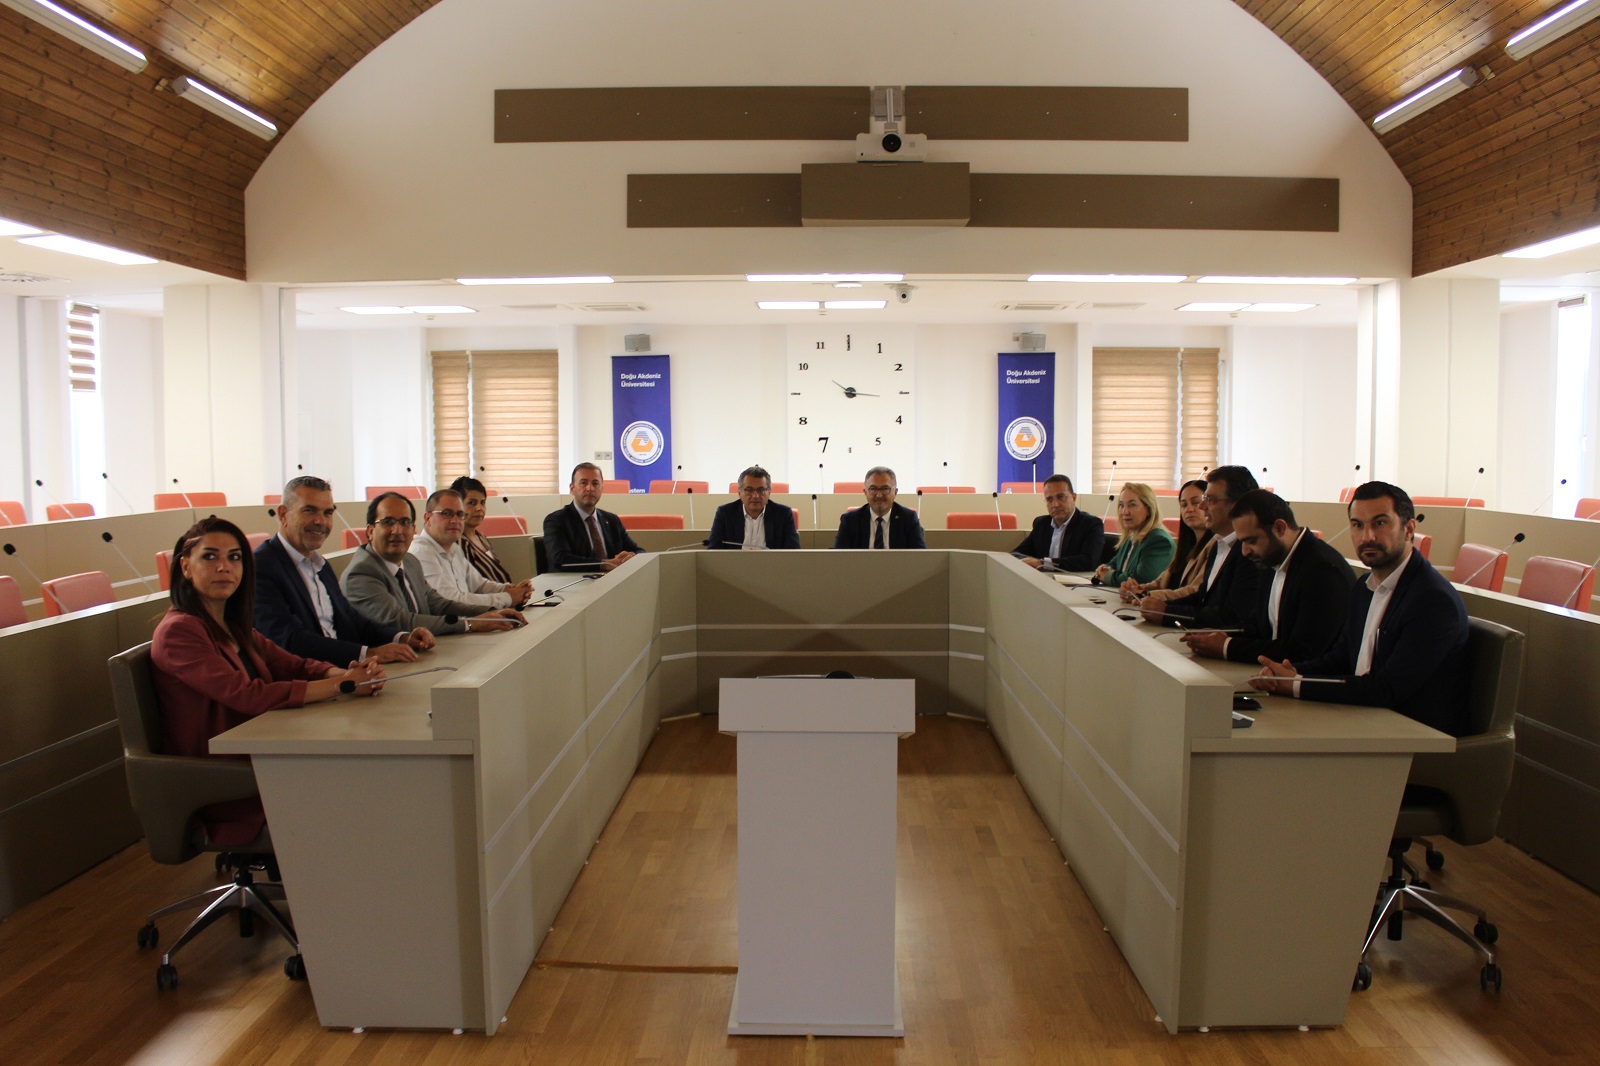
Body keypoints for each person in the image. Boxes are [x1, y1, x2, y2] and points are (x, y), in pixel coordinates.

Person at [152, 517, 385, 845]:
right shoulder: (179, 630)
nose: (224, 567)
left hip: (262, 752)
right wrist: (342, 685)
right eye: (210, 556)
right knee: (353, 785)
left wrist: (346, 674)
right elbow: (246, 695)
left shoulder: (232, 624)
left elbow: (294, 665)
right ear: (185, 567)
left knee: (361, 777)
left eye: (234, 557)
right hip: (224, 778)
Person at [1250, 481, 1471, 736]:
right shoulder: (1364, 587)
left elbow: (1388, 689)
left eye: (1380, 523)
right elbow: (1341, 659)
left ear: (1409, 529)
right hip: (1364, 717)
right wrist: (1289, 673)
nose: (1367, 537)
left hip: (1412, 735)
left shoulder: (1433, 600)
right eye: (1357, 525)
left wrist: (1296, 685)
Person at [255, 475, 431, 664]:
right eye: (309, 511)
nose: (320, 521)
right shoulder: (260, 567)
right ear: (283, 514)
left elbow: (352, 620)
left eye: (327, 513)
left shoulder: (320, 565)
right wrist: (367, 654)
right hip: (307, 677)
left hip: (342, 671)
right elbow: (288, 639)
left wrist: (400, 637)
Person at [1180, 489, 1355, 665]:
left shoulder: (1321, 570)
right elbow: (1259, 624)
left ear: (1280, 528)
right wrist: (1222, 634)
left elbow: (1303, 651)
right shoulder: (1272, 556)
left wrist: (1226, 646)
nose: (1245, 552)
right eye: (1241, 542)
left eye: (1251, 541)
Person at [342, 492, 526, 635]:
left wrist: (490, 612)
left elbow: (439, 604)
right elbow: (401, 622)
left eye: (405, 522)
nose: (397, 530)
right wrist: (470, 623)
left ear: (413, 529)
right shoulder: (362, 573)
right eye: (388, 522)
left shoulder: (410, 562)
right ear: (370, 531)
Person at [1140, 465, 1263, 630]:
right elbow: (1202, 597)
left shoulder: (1250, 552)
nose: (1202, 506)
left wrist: (1168, 613)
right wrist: (1161, 606)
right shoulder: (1219, 545)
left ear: (1236, 505)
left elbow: (1232, 616)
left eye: (1209, 500)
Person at [411, 488, 536, 607]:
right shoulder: (422, 552)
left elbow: (480, 586)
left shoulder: (453, 549)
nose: (455, 520)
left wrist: (510, 589)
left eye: (460, 514)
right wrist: (508, 598)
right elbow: (451, 601)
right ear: (428, 518)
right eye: (447, 514)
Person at [1119, 479, 1213, 603]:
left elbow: (1195, 590)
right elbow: (1162, 582)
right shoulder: (1186, 546)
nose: (1189, 509)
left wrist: (1146, 594)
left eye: (1196, 502)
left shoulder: (1216, 546)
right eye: (1184, 505)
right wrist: (1138, 589)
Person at [542, 462, 646, 571]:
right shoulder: (556, 520)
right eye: (583, 483)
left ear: (602, 488)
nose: (590, 488)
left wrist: (632, 557)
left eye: (595, 483)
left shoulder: (612, 520)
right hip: (574, 580)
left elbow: (640, 551)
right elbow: (559, 559)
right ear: (572, 488)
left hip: (613, 580)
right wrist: (604, 564)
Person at [1012, 474, 1104, 571]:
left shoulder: (1091, 524)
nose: (1055, 504)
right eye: (1049, 499)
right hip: (1041, 579)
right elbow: (1016, 554)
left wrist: (1043, 563)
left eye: (1061, 497)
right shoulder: (1041, 524)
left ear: (1074, 497)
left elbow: (1089, 561)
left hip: (1073, 579)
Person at [1094, 482, 1175, 585]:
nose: (1125, 511)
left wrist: (1108, 576)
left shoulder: (1159, 540)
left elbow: (1141, 579)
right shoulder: (1131, 536)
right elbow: (1114, 564)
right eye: (1121, 505)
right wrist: (1103, 569)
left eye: (1132, 505)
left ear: (1148, 509)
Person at [707, 465, 801, 549]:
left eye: (761, 490)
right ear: (739, 493)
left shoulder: (783, 514)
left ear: (769, 492)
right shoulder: (725, 513)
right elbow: (713, 550)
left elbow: (793, 552)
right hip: (735, 563)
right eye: (749, 490)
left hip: (771, 563)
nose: (755, 496)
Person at [833, 466, 926, 549]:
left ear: (895, 492)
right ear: (865, 492)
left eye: (885, 489)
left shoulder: (909, 519)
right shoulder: (850, 521)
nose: (879, 495)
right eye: (873, 489)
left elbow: (920, 557)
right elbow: (839, 557)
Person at [450, 476, 515, 584]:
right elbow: (468, 585)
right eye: (472, 503)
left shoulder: (480, 537)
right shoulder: (459, 543)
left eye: (482, 502)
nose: (479, 508)